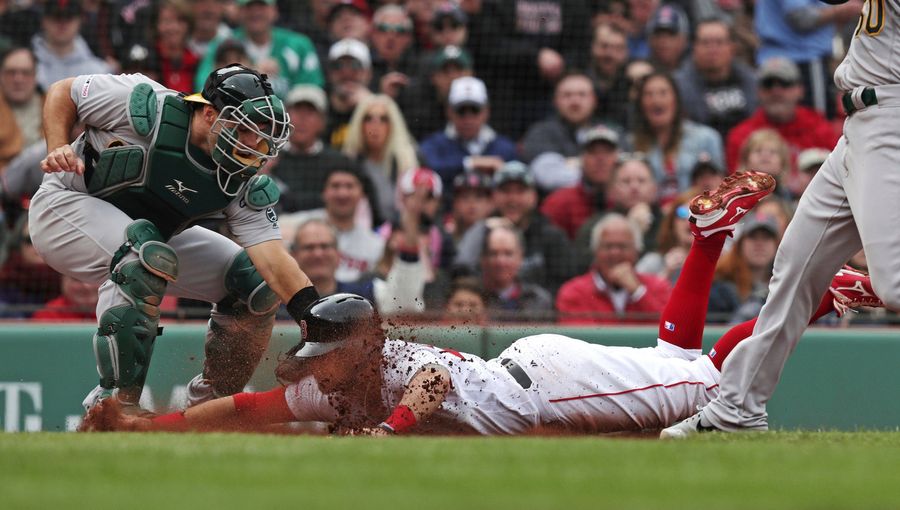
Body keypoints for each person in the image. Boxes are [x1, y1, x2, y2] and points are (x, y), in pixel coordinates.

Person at [85, 172, 884, 435]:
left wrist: (391, 436)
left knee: (715, 384)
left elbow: (428, 391)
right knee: (684, 363)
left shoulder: (384, 360)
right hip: (540, 378)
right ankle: (710, 241)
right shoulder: (329, 383)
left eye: (334, 345)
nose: (325, 360)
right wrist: (147, 424)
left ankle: (818, 287)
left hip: (542, 384)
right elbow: (247, 409)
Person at [661, 8, 900, 435]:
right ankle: (737, 410)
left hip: (889, 117)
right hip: (860, 125)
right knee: (795, 265)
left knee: (894, 284)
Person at [29, 64, 320, 413]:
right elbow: (65, 91)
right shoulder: (146, 107)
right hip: (63, 208)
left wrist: (316, 319)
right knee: (142, 256)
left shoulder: (241, 179)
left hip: (145, 236)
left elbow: (273, 261)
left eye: (259, 133)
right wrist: (58, 145)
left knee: (255, 285)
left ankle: (210, 407)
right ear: (210, 113)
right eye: (243, 129)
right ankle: (114, 406)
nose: (252, 143)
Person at [725, 57, 840, 174]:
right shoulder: (741, 136)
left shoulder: (820, 128)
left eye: (785, 83)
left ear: (800, 90)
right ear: (758, 91)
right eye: (768, 84)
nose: (776, 91)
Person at [626, 71, 724, 203]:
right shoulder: (630, 144)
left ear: (676, 100)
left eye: (663, 93)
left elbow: (719, 190)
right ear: (641, 104)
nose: (656, 100)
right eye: (649, 94)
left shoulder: (707, 138)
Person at [556, 213, 671, 324]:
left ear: (637, 251)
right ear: (595, 251)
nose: (615, 253)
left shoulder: (658, 287)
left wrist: (638, 292)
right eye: (608, 246)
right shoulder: (574, 292)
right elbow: (579, 337)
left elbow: (670, 330)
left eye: (622, 246)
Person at [194, 0, 324, 98]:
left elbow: (313, 91)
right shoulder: (221, 46)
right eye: (249, 7)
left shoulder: (299, 45)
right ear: (239, 12)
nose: (255, 13)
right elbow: (203, 89)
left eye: (261, 6)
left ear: (274, 11)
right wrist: (253, 73)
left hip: (289, 126)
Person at [419, 76, 518, 200]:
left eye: (474, 110)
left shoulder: (505, 148)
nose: (468, 118)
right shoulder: (434, 144)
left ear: (486, 111)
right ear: (449, 111)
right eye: (461, 111)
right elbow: (430, 169)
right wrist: (470, 163)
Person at [674, 17, 758, 140]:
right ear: (694, 48)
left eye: (719, 42)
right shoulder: (677, 86)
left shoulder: (752, 80)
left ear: (732, 47)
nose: (712, 49)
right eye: (705, 43)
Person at [342, 93, 419, 223]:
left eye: (383, 119)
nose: (375, 125)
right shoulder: (349, 164)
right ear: (359, 124)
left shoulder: (408, 162)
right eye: (368, 118)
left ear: (393, 125)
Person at [521, 72, 604, 193]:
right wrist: (596, 172)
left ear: (594, 100)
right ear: (555, 101)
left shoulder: (611, 131)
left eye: (582, 95)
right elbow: (548, 177)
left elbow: (623, 173)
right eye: (567, 95)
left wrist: (573, 163)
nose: (575, 101)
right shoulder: (540, 133)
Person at [540, 125, 620, 240]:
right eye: (593, 152)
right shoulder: (559, 203)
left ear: (618, 158)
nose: (600, 159)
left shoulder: (627, 200)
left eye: (607, 152)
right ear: (581, 159)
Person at [31, 0, 112, 92]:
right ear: (44, 21)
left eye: (68, 18)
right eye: (56, 17)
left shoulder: (99, 73)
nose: (62, 24)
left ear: (80, 21)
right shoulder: (24, 68)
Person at [480, 223, 554, 321]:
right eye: (493, 253)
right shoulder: (474, 299)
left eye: (508, 254)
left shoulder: (538, 300)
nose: (501, 261)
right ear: (483, 259)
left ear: (520, 257)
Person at [32, 274, 100, 322]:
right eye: (77, 280)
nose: (87, 286)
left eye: (93, 279)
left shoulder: (110, 311)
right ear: (63, 282)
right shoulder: (47, 315)